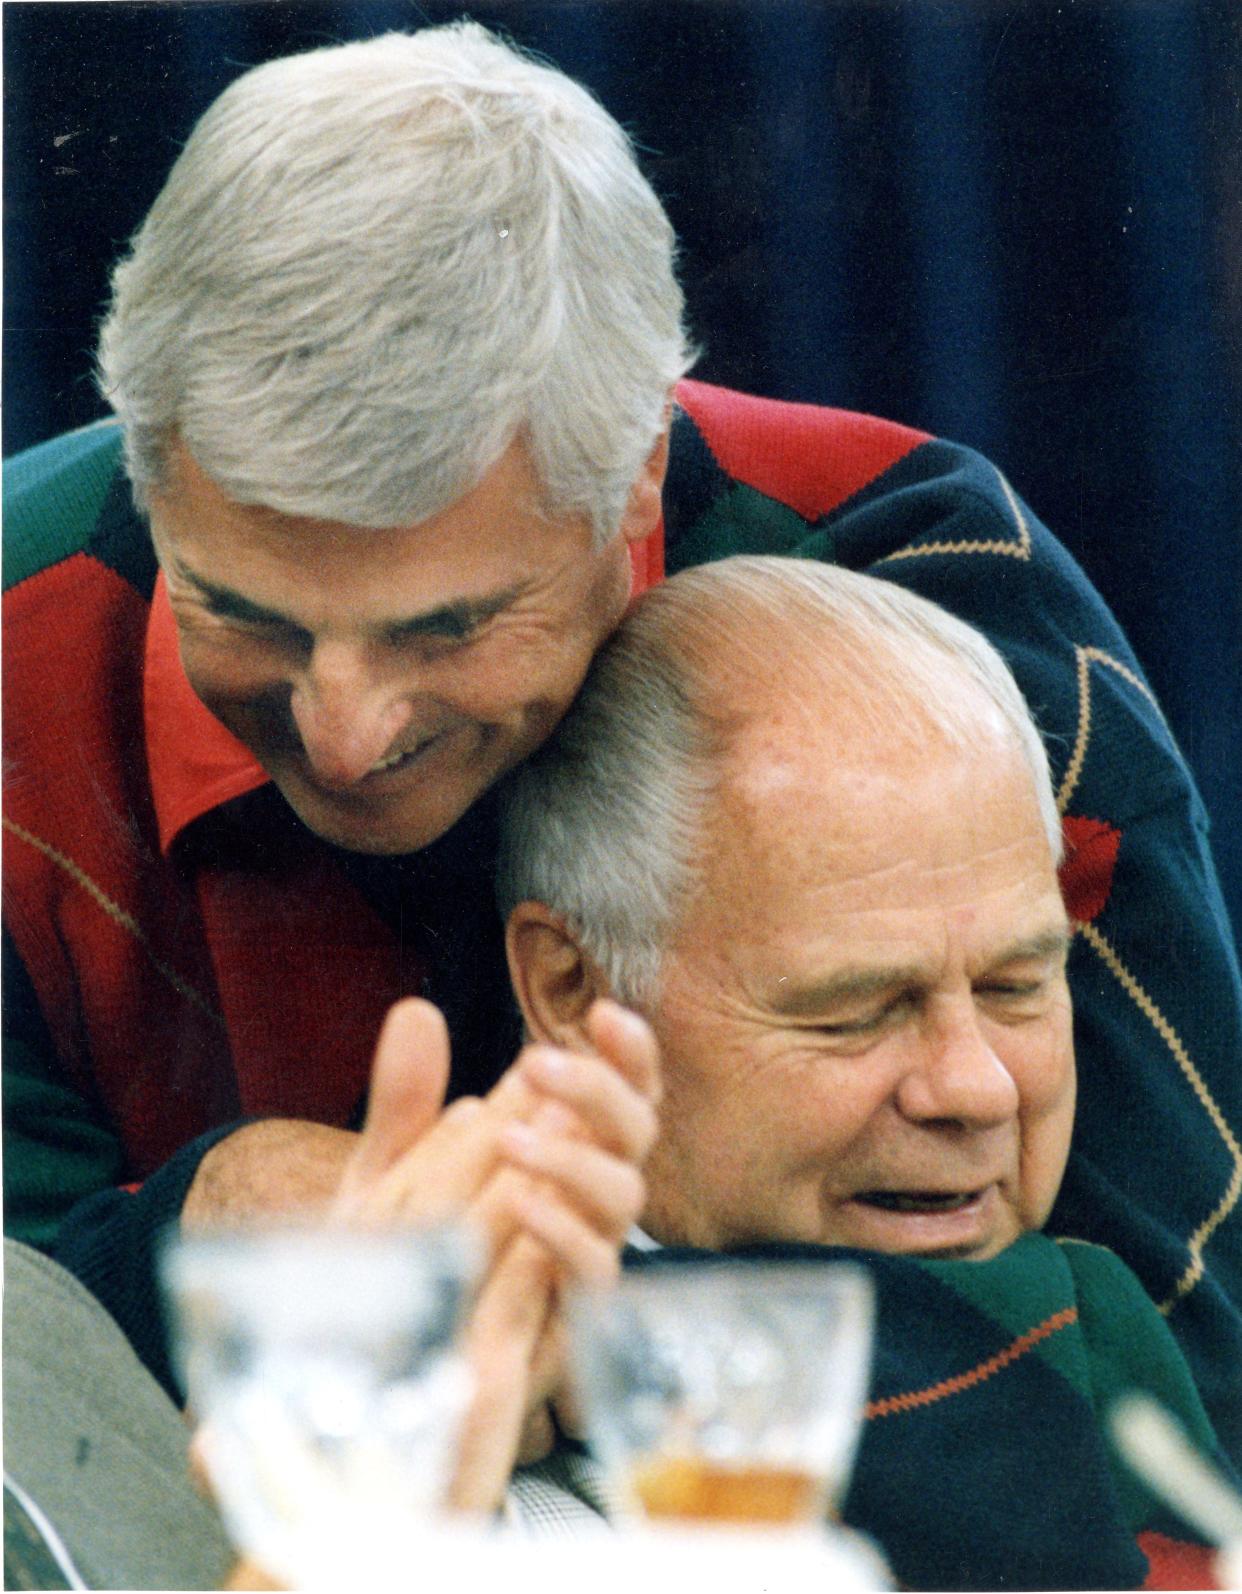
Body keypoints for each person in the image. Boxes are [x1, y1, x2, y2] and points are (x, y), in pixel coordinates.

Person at [3, 17, 1239, 1467]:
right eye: (244, 612)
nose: (345, 735)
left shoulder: (938, 595)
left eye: (446, 627)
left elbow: (1191, 1384)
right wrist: (206, 1222)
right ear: (148, 473)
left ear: (635, 476)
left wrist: (572, 1334)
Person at [492, 556, 1234, 1589]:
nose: (977, 1088)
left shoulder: (1157, 1374)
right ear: (573, 991)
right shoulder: (413, 1496)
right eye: (855, 1008)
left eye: (1018, 985)